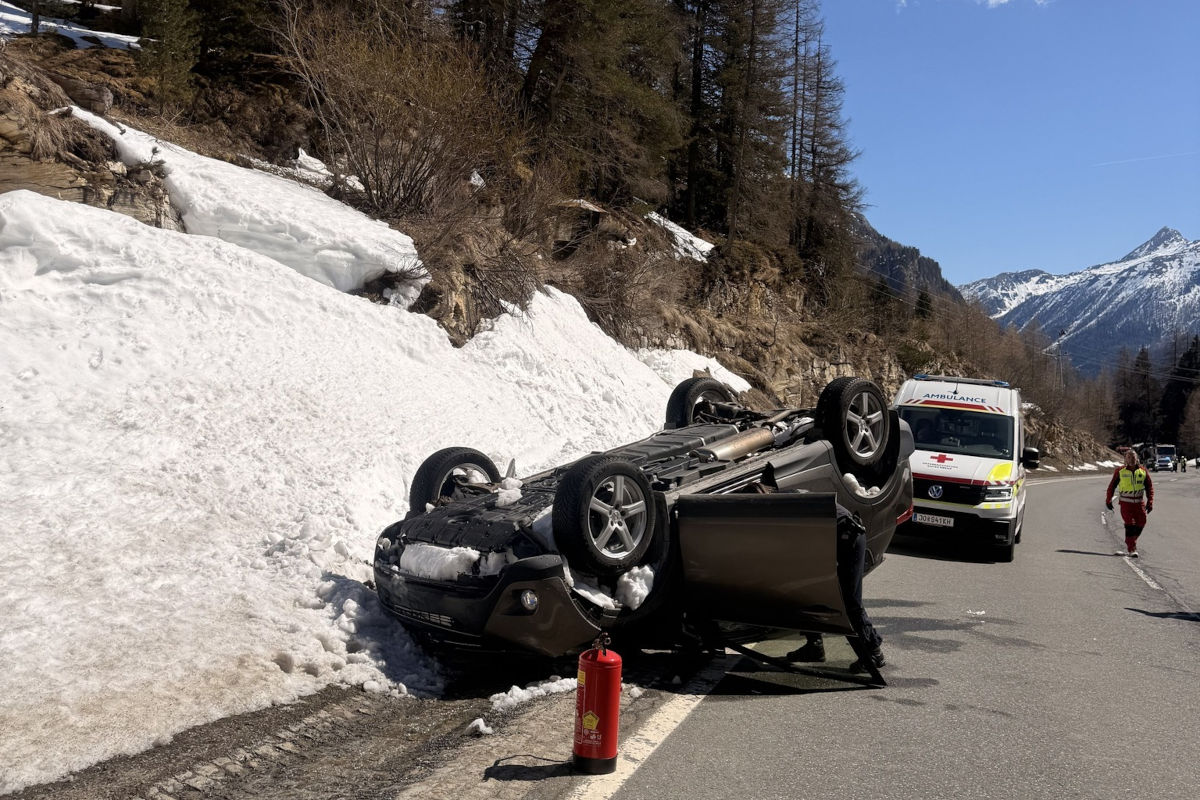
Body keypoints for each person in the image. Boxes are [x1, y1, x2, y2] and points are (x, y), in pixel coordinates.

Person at [786, 502, 885, 673]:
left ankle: (874, 653)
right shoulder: (783, 501)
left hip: (849, 538)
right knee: (809, 592)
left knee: (849, 601)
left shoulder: (781, 507)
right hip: (831, 540)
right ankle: (814, 647)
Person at [1105, 449, 1154, 558]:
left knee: (1142, 522)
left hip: (1139, 502)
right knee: (1130, 524)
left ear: (1137, 458)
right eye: (1129, 457)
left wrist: (1150, 501)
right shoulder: (1120, 471)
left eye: (1133, 457)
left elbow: (1149, 487)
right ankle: (1132, 548)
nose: (1131, 459)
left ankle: (1130, 541)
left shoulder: (1143, 471)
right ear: (1125, 459)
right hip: (1126, 503)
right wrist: (1108, 500)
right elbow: (1112, 486)